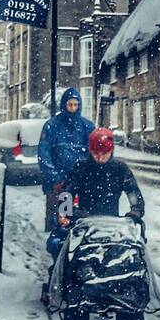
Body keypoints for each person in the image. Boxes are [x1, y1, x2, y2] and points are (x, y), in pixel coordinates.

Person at [47, 128, 144, 258]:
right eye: (95, 153)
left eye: (104, 153)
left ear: (111, 151)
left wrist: (135, 212)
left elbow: (133, 194)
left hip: (112, 225)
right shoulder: (80, 169)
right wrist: (74, 213)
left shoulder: (120, 169)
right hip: (83, 224)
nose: (100, 157)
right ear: (90, 151)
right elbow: (66, 196)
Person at [38, 87, 94, 234]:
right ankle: (56, 240)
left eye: (75, 105)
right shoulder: (52, 125)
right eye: (70, 104)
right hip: (59, 182)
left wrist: (90, 176)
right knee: (61, 216)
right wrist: (55, 178)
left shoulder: (87, 126)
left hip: (81, 180)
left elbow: (94, 152)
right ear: (64, 105)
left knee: (82, 215)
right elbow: (44, 154)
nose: (73, 108)